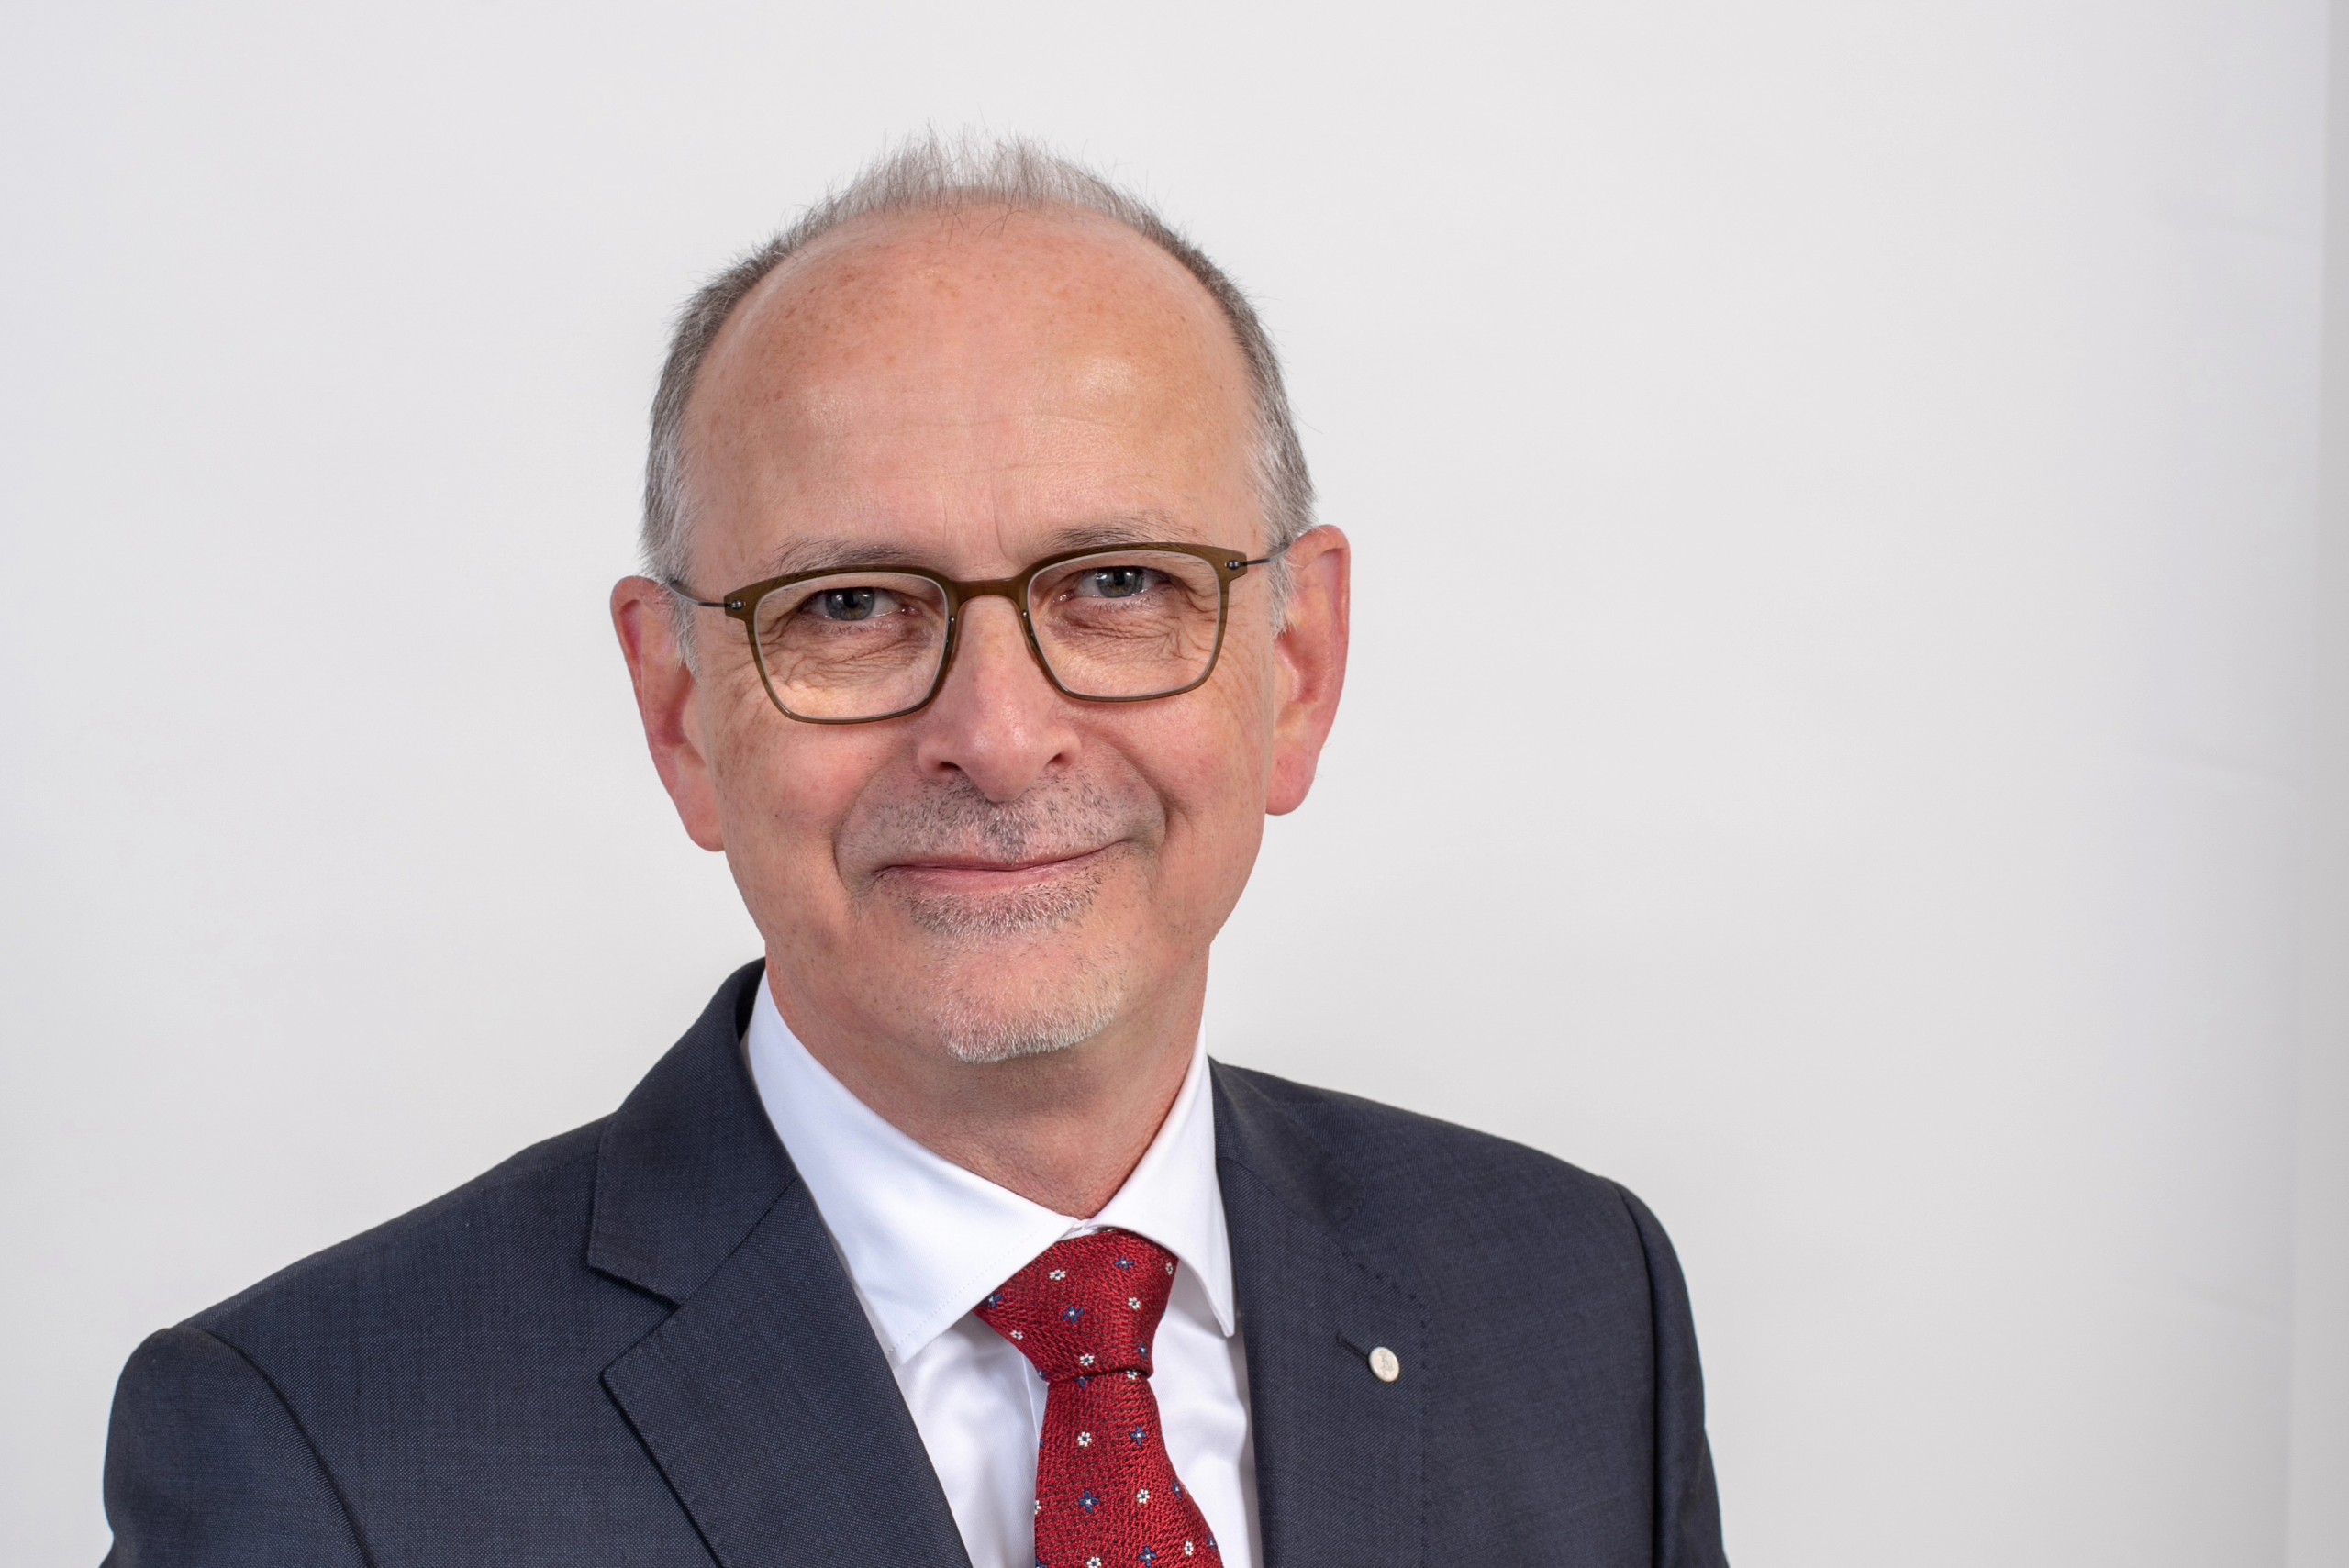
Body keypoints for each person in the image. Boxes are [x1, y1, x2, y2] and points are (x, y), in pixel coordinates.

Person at [99, 136, 1728, 1568]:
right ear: (680, 710)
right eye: (852, 605)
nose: (999, 735)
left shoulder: (1578, 1303)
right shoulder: (321, 1454)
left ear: (1296, 671)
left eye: (1119, 584)